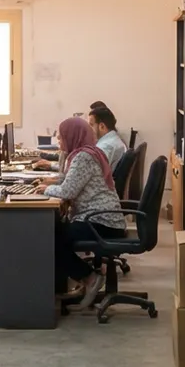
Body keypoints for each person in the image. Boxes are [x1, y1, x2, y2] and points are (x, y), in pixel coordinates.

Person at [40, 114, 129, 299]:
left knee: (49, 237)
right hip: (104, 219)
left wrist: (45, 189)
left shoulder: (83, 157)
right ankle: (80, 281)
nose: (59, 141)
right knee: (54, 230)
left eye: (61, 137)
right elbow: (70, 180)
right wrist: (52, 182)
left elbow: (68, 191)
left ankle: (89, 278)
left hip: (100, 222)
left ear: (72, 135)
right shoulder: (87, 152)